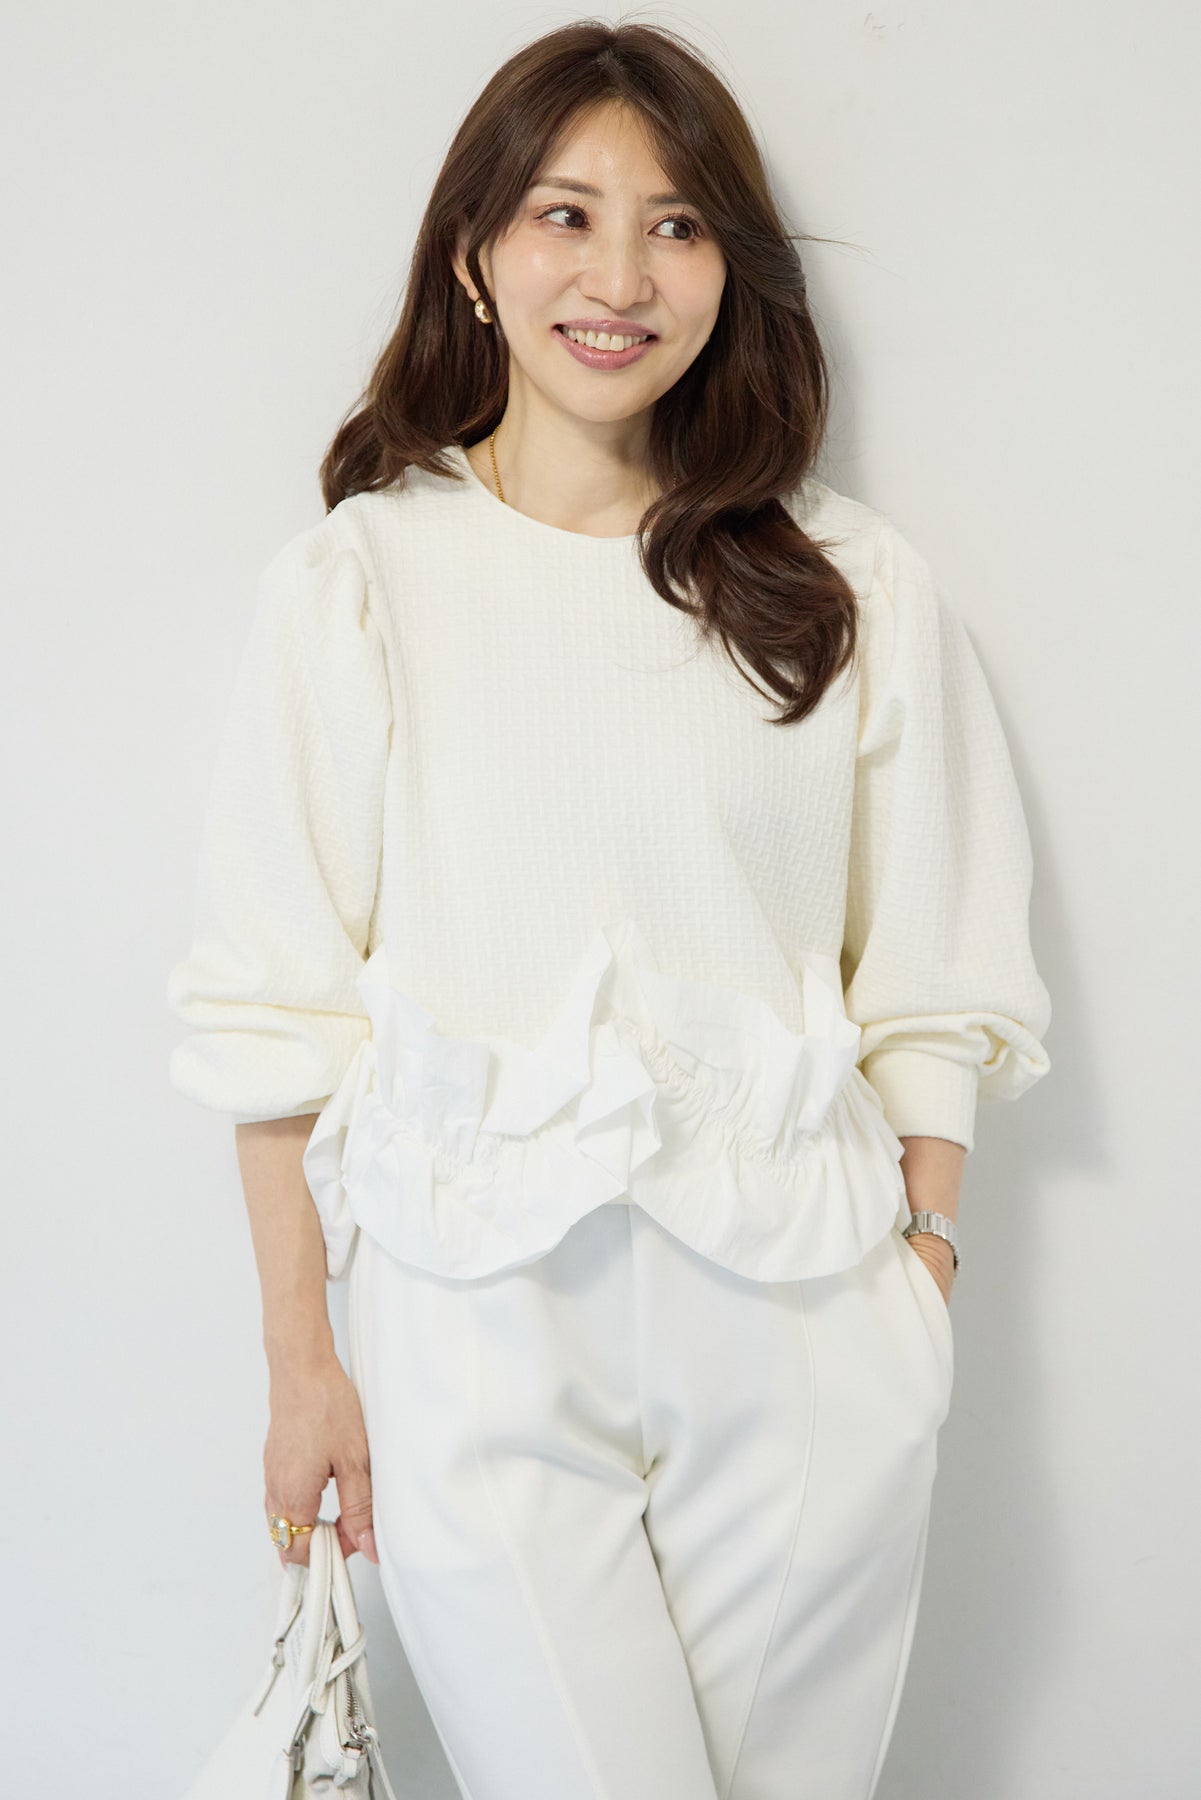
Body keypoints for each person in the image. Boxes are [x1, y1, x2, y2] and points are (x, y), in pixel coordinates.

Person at [165, 20, 1052, 1800]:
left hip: (810, 1328)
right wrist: (303, 1369)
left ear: (731, 267)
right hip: (472, 1326)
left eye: (677, 226)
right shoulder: (360, 582)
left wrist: (919, 1275)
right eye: (565, 216)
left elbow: (935, 977)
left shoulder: (846, 585)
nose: (620, 278)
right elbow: (274, 1014)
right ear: (474, 255)